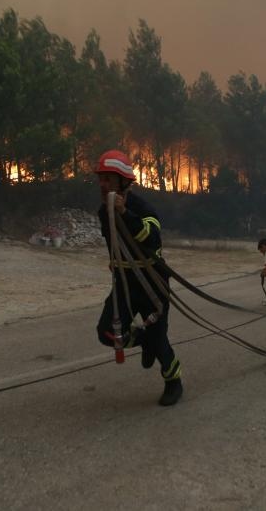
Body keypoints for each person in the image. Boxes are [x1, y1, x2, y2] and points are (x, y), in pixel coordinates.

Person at [94, 150, 183, 406]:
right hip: (125, 284)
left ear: (124, 182)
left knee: (159, 340)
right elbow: (114, 244)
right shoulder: (103, 211)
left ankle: (173, 381)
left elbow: (151, 239)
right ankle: (144, 341)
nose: (102, 185)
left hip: (152, 284)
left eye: (108, 179)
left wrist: (125, 213)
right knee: (106, 332)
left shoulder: (143, 209)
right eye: (101, 179)